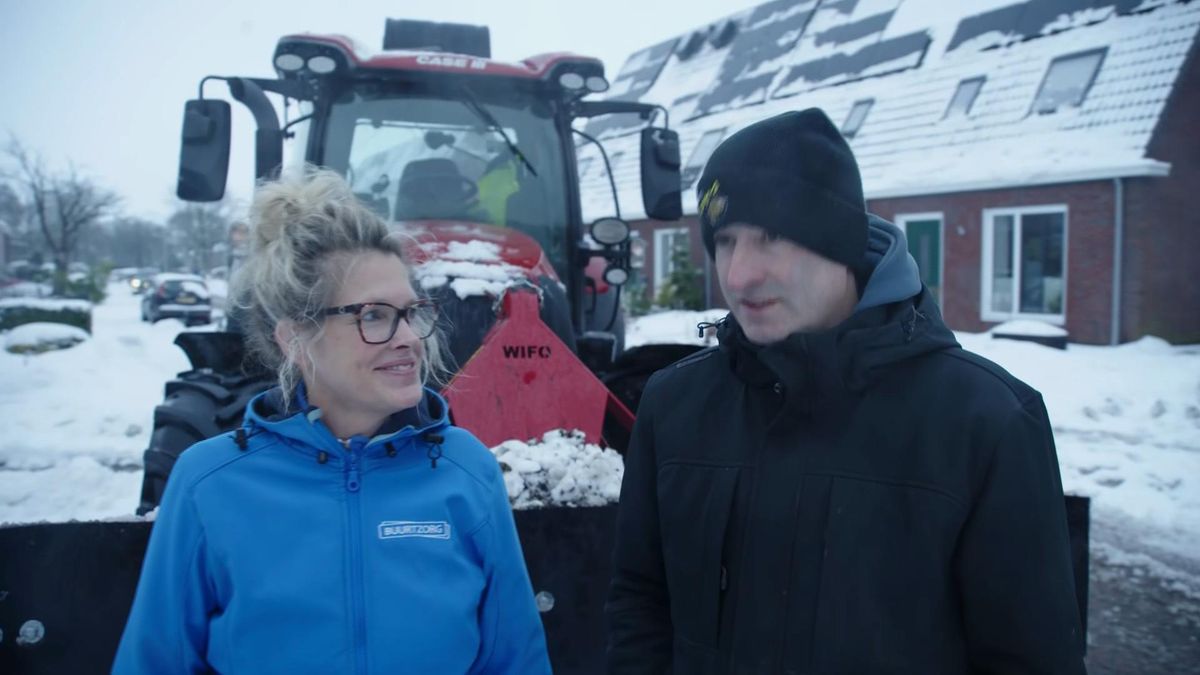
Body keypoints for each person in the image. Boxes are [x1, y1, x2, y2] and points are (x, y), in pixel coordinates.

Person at [606, 109, 1086, 674]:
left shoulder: (985, 422)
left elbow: (1029, 659)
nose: (737, 276)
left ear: (837, 243)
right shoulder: (675, 404)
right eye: (726, 241)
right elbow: (640, 603)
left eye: (771, 237)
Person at [114, 167, 551, 674]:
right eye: (373, 315)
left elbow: (515, 660)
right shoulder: (209, 484)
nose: (409, 338)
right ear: (295, 338)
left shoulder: (466, 471)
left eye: (411, 312)